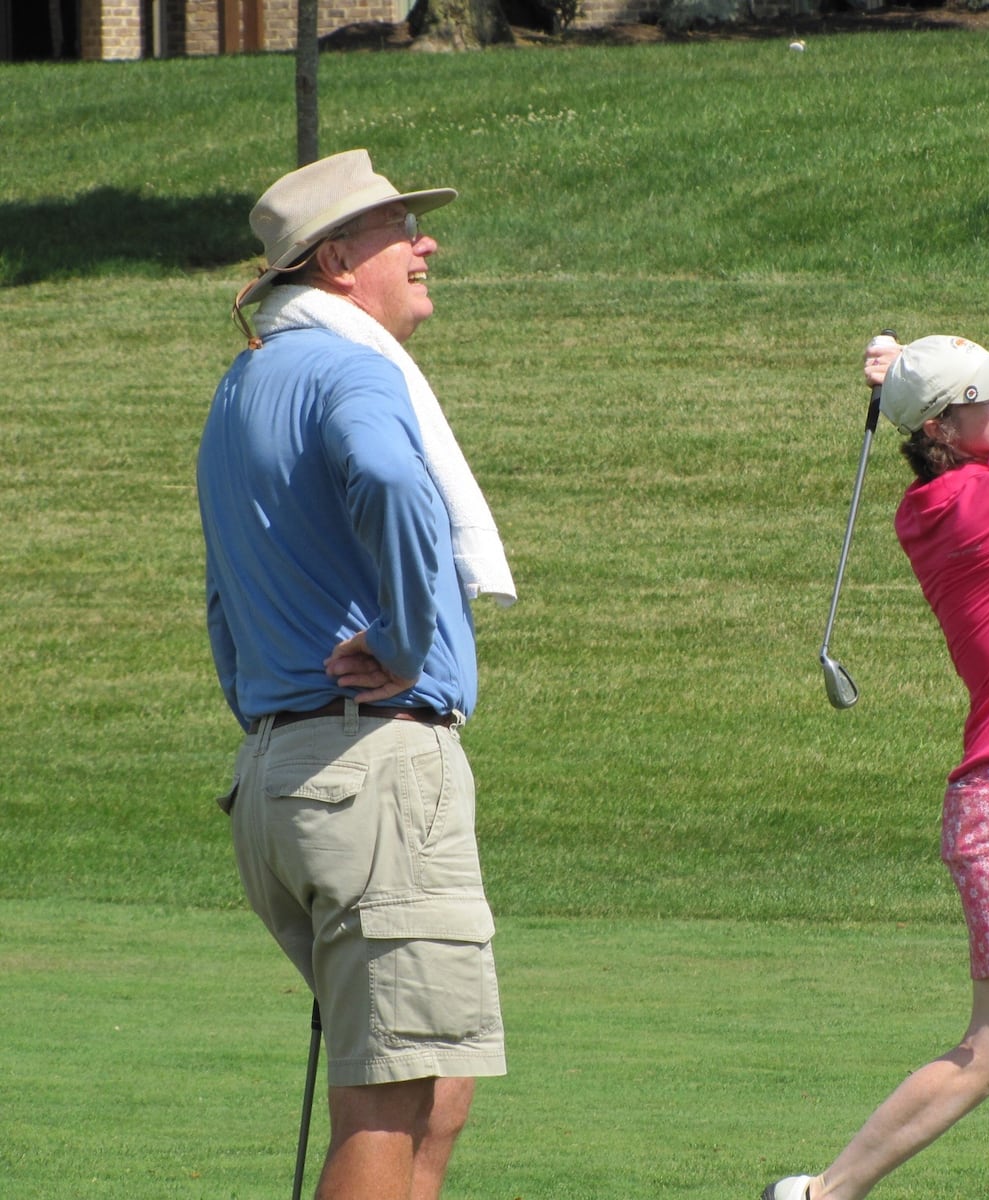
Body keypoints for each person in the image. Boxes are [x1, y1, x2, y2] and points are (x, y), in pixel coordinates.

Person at [198, 149, 517, 1200]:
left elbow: (221, 602)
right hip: (369, 768)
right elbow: (387, 474)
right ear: (337, 260)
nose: (426, 244)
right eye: (399, 230)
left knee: (435, 1086)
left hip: (285, 775)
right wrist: (410, 635)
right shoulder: (351, 368)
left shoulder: (246, 383)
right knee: (387, 1103)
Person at [764, 335, 989, 1200]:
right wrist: (933, 346)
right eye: (983, 392)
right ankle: (824, 1194)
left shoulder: (945, 497)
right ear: (940, 426)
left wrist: (926, 371)